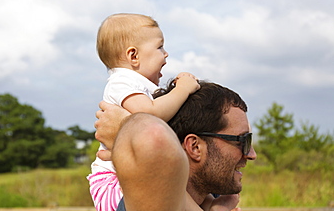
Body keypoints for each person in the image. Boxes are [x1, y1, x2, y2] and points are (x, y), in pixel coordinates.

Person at [88, 13, 200, 211]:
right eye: (160, 47)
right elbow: (151, 115)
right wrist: (183, 89)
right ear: (133, 56)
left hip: (131, 173)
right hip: (113, 183)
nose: (165, 54)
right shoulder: (121, 81)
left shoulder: (139, 86)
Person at [94, 81, 258, 211]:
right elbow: (154, 135)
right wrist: (125, 126)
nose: (251, 154)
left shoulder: (213, 198)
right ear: (194, 147)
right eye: (242, 140)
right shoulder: (150, 202)